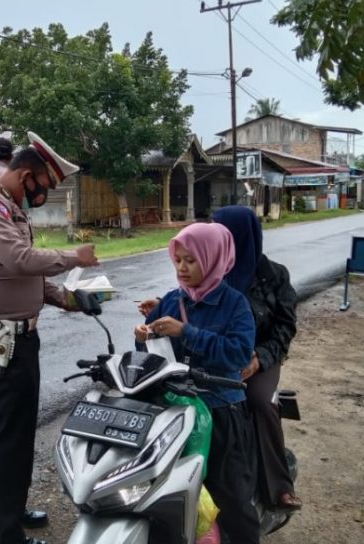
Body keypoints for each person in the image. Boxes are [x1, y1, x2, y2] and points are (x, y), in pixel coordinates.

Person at [0, 132, 98, 544]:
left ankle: (11, 511)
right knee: (4, 439)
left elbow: (25, 275)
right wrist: (75, 257)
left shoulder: (9, 208)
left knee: (20, 434)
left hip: (22, 337)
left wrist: (64, 298)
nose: (44, 195)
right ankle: (0, 536)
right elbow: (19, 260)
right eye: (44, 186)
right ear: (25, 174)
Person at [136, 223, 259, 544]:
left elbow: (237, 354)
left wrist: (185, 332)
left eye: (191, 260)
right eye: (177, 260)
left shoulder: (235, 305)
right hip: (174, 414)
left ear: (213, 258)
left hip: (221, 411)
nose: (182, 268)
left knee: (231, 498)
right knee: (165, 493)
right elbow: (153, 355)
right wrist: (143, 337)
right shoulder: (172, 301)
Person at [211, 206, 302, 512]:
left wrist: (259, 360)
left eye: (222, 233)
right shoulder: (209, 268)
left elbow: (284, 328)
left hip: (259, 357)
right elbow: (186, 302)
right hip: (216, 354)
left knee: (261, 402)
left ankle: (279, 487)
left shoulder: (274, 275)